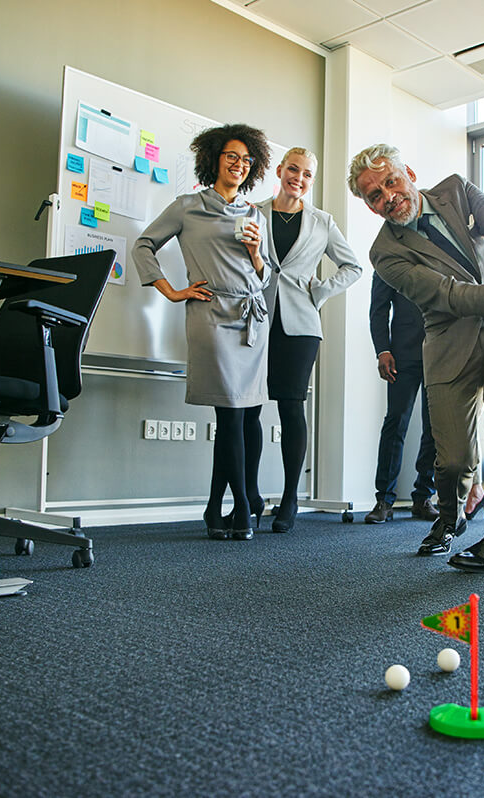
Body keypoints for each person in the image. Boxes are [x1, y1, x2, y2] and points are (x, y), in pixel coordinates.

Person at [347, 143, 484, 573]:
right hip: (450, 339)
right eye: (374, 195)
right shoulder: (384, 253)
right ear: (370, 206)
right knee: (452, 461)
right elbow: (440, 292)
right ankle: (450, 516)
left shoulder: (456, 191)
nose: (387, 196)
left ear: (407, 171)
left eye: (390, 181)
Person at [132, 123, 273, 541]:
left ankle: (217, 508)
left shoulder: (255, 214)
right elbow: (143, 245)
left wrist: (255, 252)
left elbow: (266, 277)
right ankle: (245, 507)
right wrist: (172, 291)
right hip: (211, 315)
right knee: (230, 412)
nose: (239, 165)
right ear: (214, 159)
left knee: (247, 416)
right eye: (232, 156)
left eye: (247, 160)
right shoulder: (187, 206)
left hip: (252, 317)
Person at [255, 147, 363, 533]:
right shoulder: (254, 212)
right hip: (255, 319)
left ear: (311, 181)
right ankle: (250, 494)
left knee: (290, 408)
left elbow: (353, 266)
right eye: (293, 169)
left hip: (300, 326)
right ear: (280, 171)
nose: (298, 178)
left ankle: (289, 499)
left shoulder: (321, 221)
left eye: (307, 174)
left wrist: (319, 292)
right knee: (248, 407)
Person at [365, 272, 438, 525]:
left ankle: (423, 497)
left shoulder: (440, 251)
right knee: (395, 422)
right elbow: (379, 309)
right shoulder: (389, 257)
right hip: (402, 353)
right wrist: (382, 350)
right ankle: (384, 499)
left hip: (440, 350)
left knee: (435, 427)